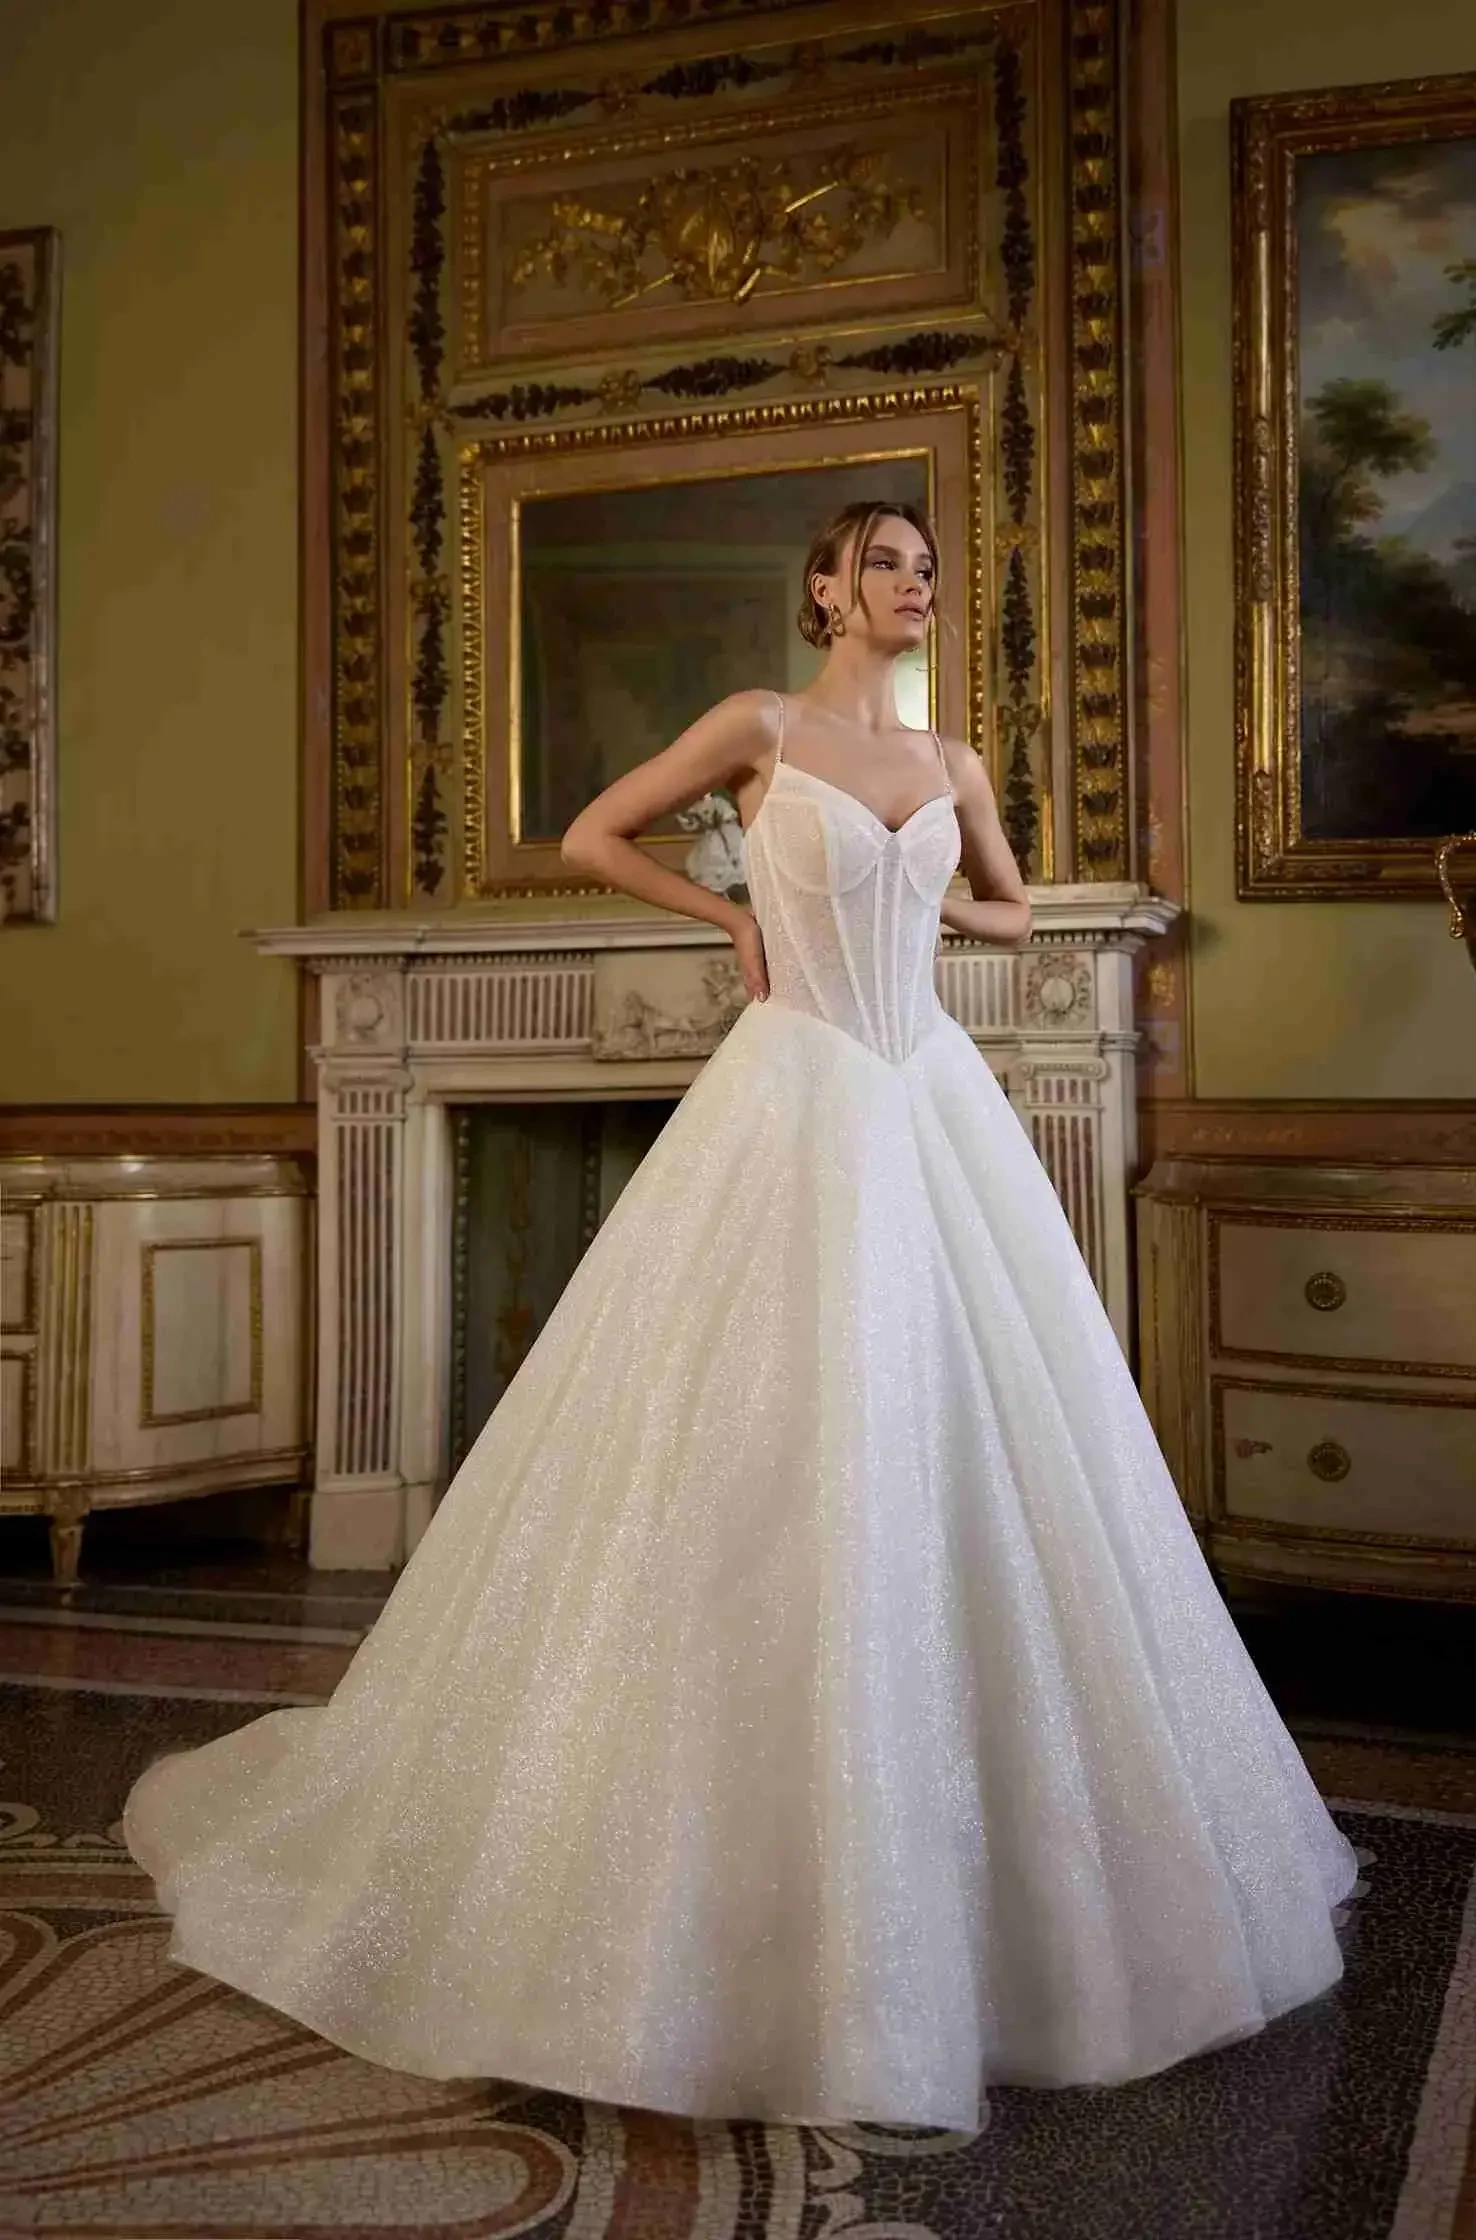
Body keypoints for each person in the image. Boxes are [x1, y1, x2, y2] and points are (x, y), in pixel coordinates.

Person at [121, 499, 1358, 2133]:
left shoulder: (960, 765)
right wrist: (734, 923)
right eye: (886, 564)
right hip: (790, 1094)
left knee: (967, 1436)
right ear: (826, 589)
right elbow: (592, 835)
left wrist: (958, 919)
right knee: (746, 1434)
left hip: (923, 1097)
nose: (911, 585)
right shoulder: (758, 729)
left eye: (927, 567)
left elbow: (1009, 906)